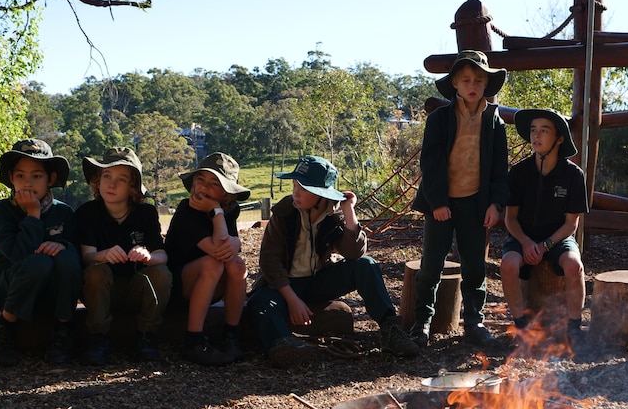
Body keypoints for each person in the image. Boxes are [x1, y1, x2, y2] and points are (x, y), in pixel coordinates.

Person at [246, 155, 419, 367]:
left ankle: (391, 331)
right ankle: (285, 346)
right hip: (282, 286)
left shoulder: (332, 217)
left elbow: (354, 253)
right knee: (260, 303)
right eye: (295, 185)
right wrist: (292, 300)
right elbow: (269, 262)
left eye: (304, 188)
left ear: (321, 195)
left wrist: (348, 211)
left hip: (317, 282)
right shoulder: (284, 214)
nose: (296, 193)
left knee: (366, 265)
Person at [409, 49, 510, 348]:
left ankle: (474, 321)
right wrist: (438, 201)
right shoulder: (440, 119)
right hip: (442, 203)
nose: (472, 84)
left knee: (474, 265)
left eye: (478, 79)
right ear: (454, 82)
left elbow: (499, 169)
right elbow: (431, 163)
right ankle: (422, 322)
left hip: (476, 204)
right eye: (465, 79)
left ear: (486, 84)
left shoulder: (495, 121)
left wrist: (496, 204)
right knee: (431, 265)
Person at [0, 138, 82, 366]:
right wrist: (32, 215)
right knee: (39, 262)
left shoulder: (64, 213)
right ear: (11, 178)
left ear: (51, 179)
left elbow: (79, 253)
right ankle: (4, 328)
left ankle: (63, 330)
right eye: (20, 176)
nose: (28, 183)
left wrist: (63, 246)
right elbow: (19, 254)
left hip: (53, 294)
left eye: (37, 176)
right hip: (11, 288)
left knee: (66, 255)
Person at [500, 108, 588, 350]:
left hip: (558, 238)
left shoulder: (573, 174)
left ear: (559, 138)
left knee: (574, 265)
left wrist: (546, 244)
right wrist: (527, 243)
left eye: (544, 131)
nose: (536, 136)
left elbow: (571, 224)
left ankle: (574, 326)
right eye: (533, 130)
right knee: (508, 264)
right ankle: (521, 326)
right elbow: (510, 219)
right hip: (523, 235)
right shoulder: (518, 172)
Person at [75, 147, 172, 365]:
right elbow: (86, 256)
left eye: (121, 179)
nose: (111, 184)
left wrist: (147, 256)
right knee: (96, 270)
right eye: (106, 176)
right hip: (101, 291)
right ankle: (98, 337)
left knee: (160, 273)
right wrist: (105, 255)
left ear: (132, 187)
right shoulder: (88, 213)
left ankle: (147, 336)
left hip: (134, 289)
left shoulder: (145, 213)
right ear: (97, 181)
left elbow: (162, 255)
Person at [165, 152, 250, 366]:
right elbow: (218, 249)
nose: (203, 187)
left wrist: (235, 241)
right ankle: (194, 341)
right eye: (200, 179)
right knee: (214, 262)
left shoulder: (229, 210)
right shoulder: (186, 210)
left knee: (238, 266)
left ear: (227, 193)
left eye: (214, 183)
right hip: (177, 287)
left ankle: (231, 335)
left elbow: (229, 249)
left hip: (210, 286)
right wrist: (215, 211)